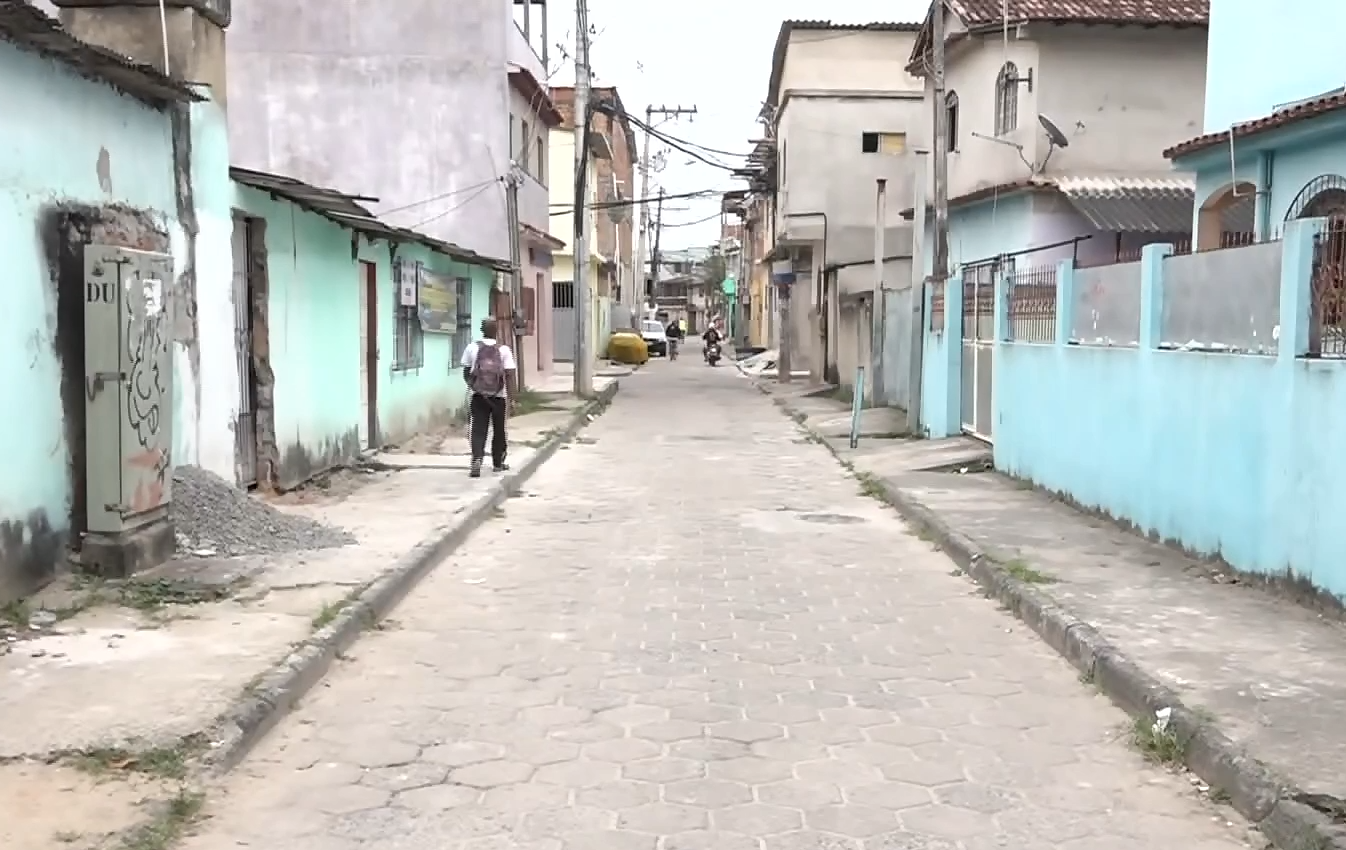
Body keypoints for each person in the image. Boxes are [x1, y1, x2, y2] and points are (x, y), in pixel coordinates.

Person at [460, 318, 518, 478]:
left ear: (482, 330)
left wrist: (475, 387)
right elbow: (510, 375)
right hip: (499, 397)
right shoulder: (504, 350)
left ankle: (477, 458)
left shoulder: (472, 347)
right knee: (499, 430)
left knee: (478, 429)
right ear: (496, 331)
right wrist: (512, 398)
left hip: (478, 396)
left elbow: (466, 372)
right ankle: (498, 463)